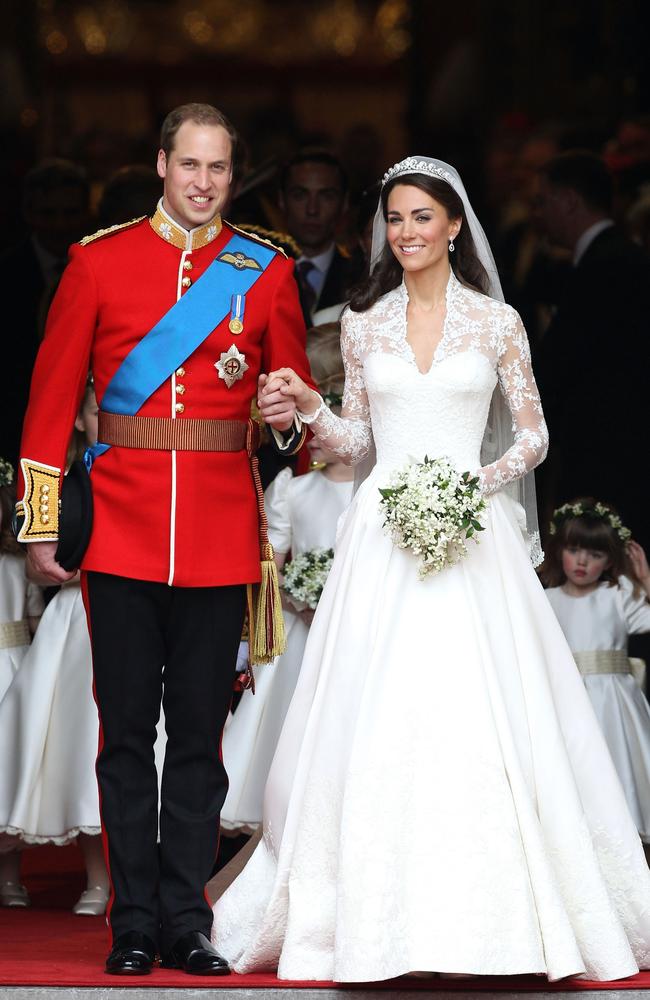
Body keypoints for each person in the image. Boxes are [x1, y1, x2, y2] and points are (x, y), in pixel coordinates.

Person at [213, 156, 650, 983]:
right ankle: (373, 923)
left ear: (454, 225)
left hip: (470, 535)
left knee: (479, 715)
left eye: (422, 217)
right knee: (376, 716)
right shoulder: (363, 322)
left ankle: (500, 923)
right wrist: (311, 408)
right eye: (395, 219)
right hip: (381, 538)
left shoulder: (497, 323)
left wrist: (468, 488)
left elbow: (533, 437)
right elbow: (356, 441)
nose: (406, 232)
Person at [15, 103, 312, 976]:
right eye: (190, 165)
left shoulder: (265, 270)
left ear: (232, 174)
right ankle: (133, 922)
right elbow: (48, 404)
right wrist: (41, 525)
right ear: (160, 165)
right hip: (121, 533)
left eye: (218, 169)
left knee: (197, 741)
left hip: (220, 533)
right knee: (122, 737)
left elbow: (291, 420)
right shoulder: (97, 263)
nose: (203, 182)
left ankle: (188, 918)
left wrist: (287, 417)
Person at [221, 326, 354, 835]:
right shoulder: (293, 489)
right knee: (288, 714)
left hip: (352, 620)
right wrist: (295, 591)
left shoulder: (372, 491)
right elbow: (272, 554)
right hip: (301, 624)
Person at [0, 382, 110, 916]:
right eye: (98, 411)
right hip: (74, 620)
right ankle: (94, 878)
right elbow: (33, 561)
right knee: (74, 742)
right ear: (81, 422)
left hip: (137, 615)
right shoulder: (60, 485)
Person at [533, 151, 650, 549]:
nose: (538, 214)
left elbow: (562, 363)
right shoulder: (615, 257)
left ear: (568, 201)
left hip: (609, 454)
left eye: (543, 201)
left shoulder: (607, 265)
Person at [541, 499, 650, 850]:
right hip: (565, 699)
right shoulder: (545, 598)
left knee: (617, 765)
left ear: (610, 559)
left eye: (595, 554)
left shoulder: (619, 595)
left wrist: (645, 578)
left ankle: (623, 844)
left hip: (614, 703)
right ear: (560, 551)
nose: (583, 561)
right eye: (574, 550)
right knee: (574, 768)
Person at [0, 159, 91, 469]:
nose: (60, 224)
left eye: (70, 213)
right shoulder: (7, 275)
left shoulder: (106, 266)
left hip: (91, 428)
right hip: (18, 424)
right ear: (29, 214)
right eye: (48, 213)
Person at [0, 459, 44, 908]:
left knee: (8, 773)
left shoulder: (15, 565)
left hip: (11, 667)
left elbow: (33, 620)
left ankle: (10, 875)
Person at [279, 150, 364, 325]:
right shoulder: (258, 270)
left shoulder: (362, 276)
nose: (312, 209)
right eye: (300, 195)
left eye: (327, 196)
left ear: (344, 203)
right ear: (282, 201)